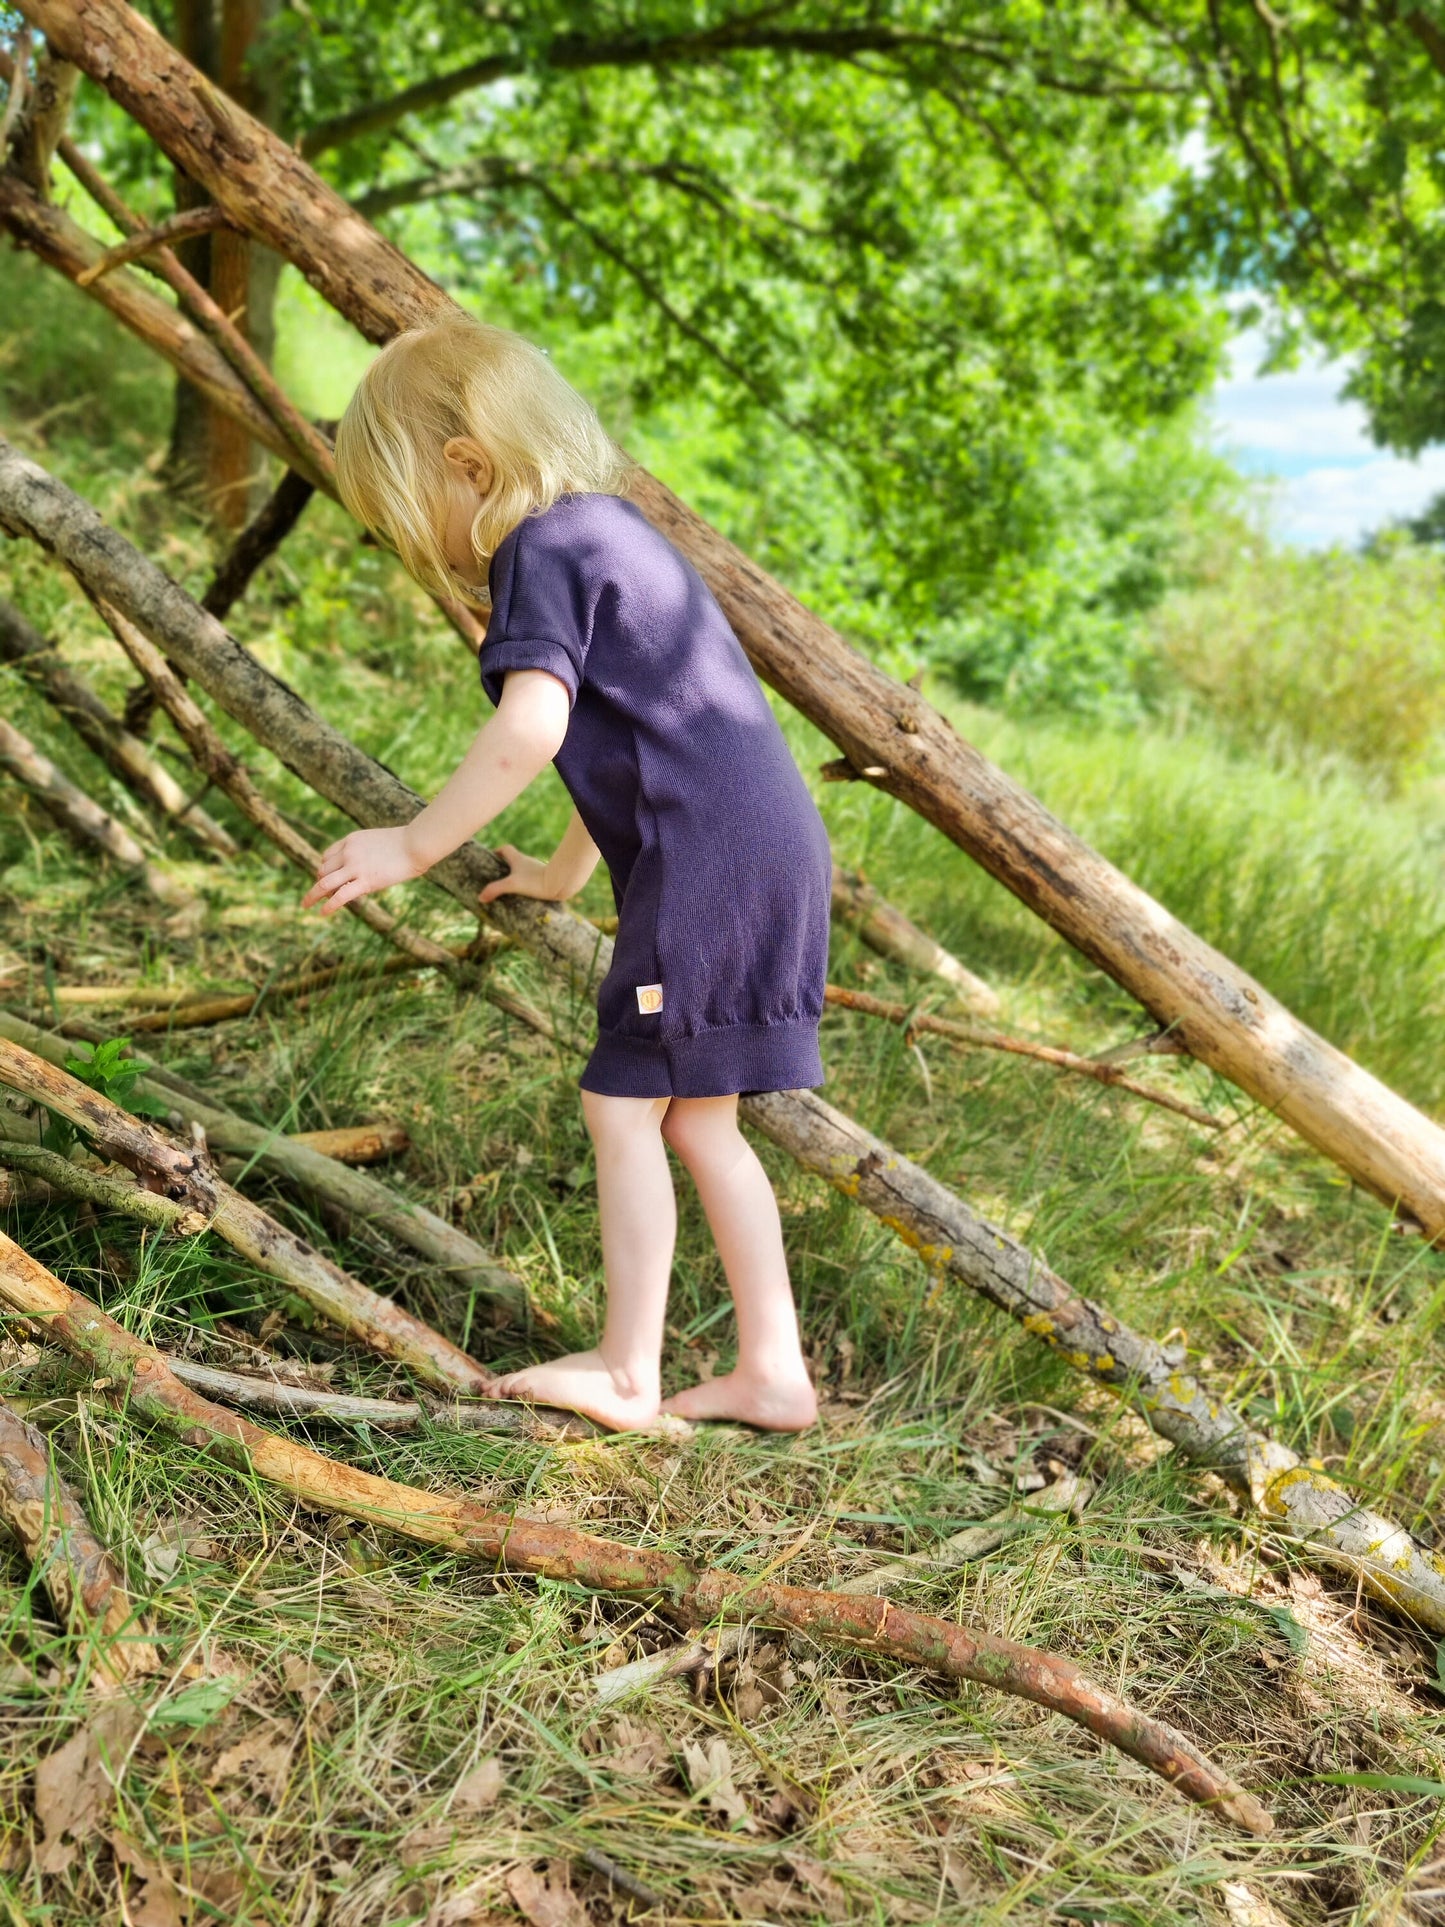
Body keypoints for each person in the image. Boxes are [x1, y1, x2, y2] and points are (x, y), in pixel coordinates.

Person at [302, 312, 832, 1434]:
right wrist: (559, 869)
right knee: (700, 1122)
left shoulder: (538, 546)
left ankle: (628, 1371)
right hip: (761, 849)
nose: (439, 557)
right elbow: (636, 734)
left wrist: (412, 842)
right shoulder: (614, 534)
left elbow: (535, 726)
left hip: (704, 864)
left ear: (468, 467)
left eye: (423, 526)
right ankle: (771, 1366)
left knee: (620, 1104)